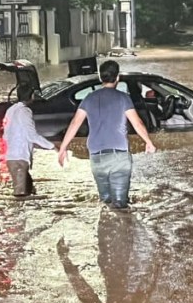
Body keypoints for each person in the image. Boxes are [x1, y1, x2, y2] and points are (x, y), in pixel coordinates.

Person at [57, 60, 157, 209]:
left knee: (106, 202)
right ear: (117, 78)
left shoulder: (88, 98)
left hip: (97, 157)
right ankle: (122, 228)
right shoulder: (123, 98)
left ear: (100, 78)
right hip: (119, 157)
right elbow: (138, 124)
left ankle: (106, 229)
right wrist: (148, 142)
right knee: (120, 205)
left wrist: (62, 148)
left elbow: (74, 124)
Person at [2, 90, 54, 197]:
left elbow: (5, 135)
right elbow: (32, 135)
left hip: (12, 157)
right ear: (32, 96)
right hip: (20, 158)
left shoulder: (11, 110)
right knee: (21, 195)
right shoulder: (25, 111)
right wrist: (53, 146)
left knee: (27, 191)